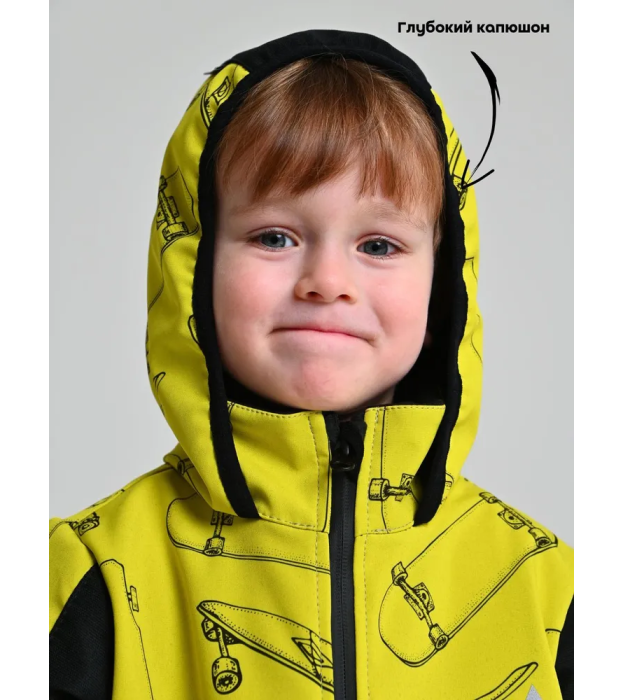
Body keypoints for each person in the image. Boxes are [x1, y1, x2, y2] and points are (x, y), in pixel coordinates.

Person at [49, 28, 573, 699]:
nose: (327, 281)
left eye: (379, 245)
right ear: (194, 267)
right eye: (275, 236)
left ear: (444, 288)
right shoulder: (88, 573)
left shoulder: (548, 590)